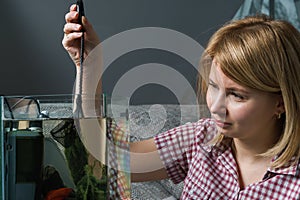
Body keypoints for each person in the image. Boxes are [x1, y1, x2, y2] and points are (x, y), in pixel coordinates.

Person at [62, 4, 300, 199]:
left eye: (237, 95)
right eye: (214, 87)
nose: (216, 107)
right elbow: (104, 159)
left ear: (280, 102)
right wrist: (90, 65)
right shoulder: (200, 139)